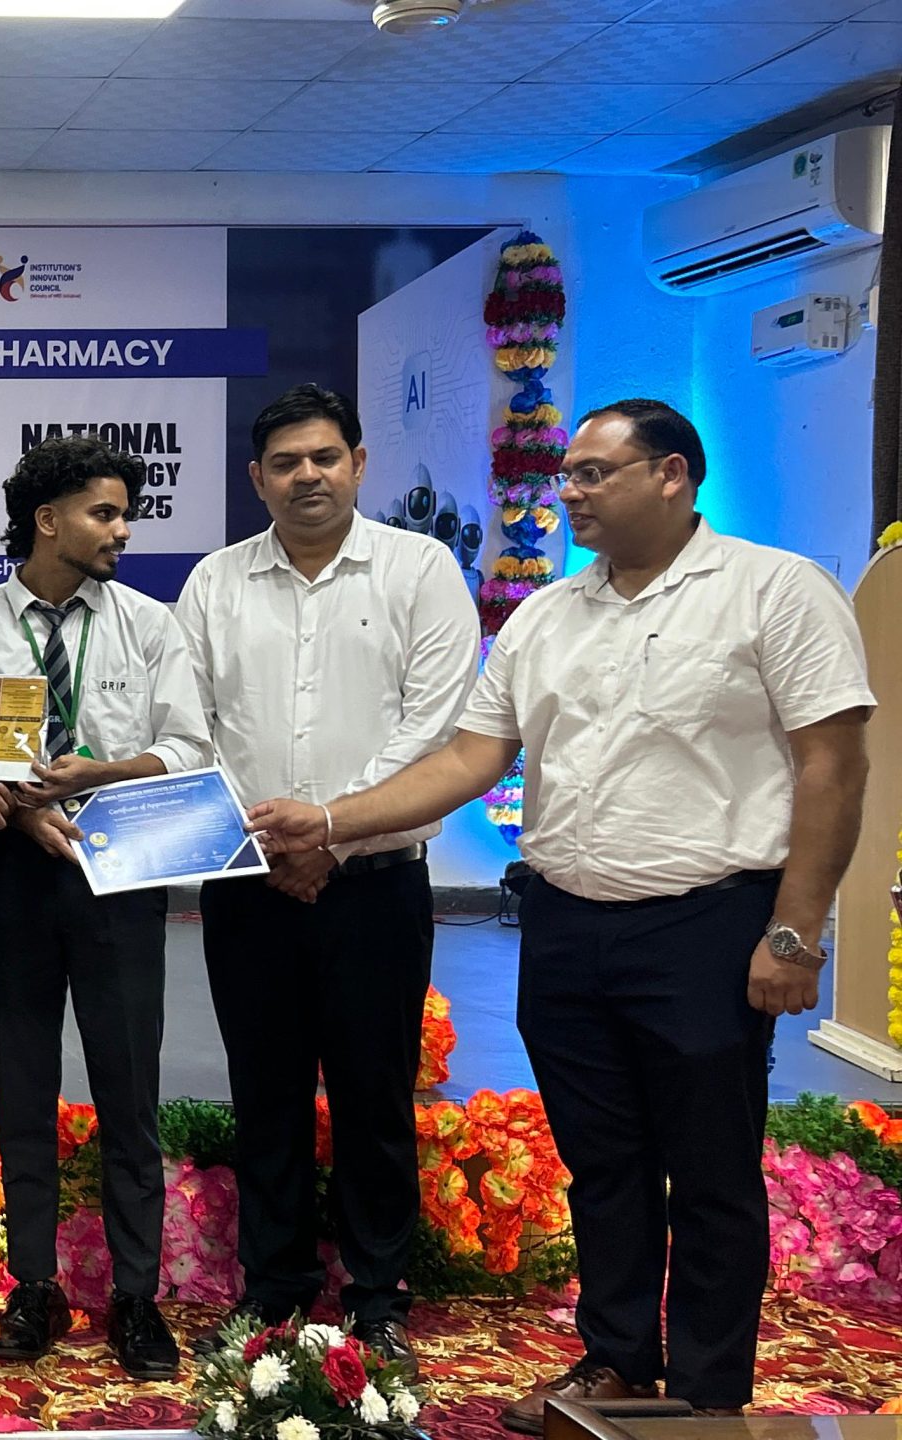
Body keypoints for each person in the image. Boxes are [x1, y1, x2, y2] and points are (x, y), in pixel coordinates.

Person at [244, 398, 874, 1430]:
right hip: (566, 927)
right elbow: (468, 758)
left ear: (672, 475)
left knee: (711, 1172)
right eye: (567, 474)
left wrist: (795, 933)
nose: (568, 492)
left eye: (592, 473)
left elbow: (833, 766)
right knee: (601, 1163)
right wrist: (329, 820)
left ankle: (708, 1394)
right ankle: (617, 1361)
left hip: (709, 925)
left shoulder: (773, 589)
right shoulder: (545, 615)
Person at [172, 383, 476, 1371]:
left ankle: (378, 1296)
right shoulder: (216, 582)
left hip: (375, 882)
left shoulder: (419, 570)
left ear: (358, 463)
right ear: (256, 479)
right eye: (285, 463)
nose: (307, 475)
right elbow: (188, 727)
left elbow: (431, 727)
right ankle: (273, 1288)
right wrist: (270, 843)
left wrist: (331, 836)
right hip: (247, 881)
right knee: (264, 1094)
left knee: (373, 1095)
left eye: (324, 457)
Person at [0, 435, 207, 1378]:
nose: (122, 530)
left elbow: (188, 748)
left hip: (122, 870)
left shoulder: (149, 625)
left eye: (125, 514)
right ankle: (34, 1288)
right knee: (22, 1089)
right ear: (48, 520)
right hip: (13, 880)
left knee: (129, 1092)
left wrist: (100, 771)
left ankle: (136, 1297)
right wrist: (16, 807)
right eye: (105, 513)